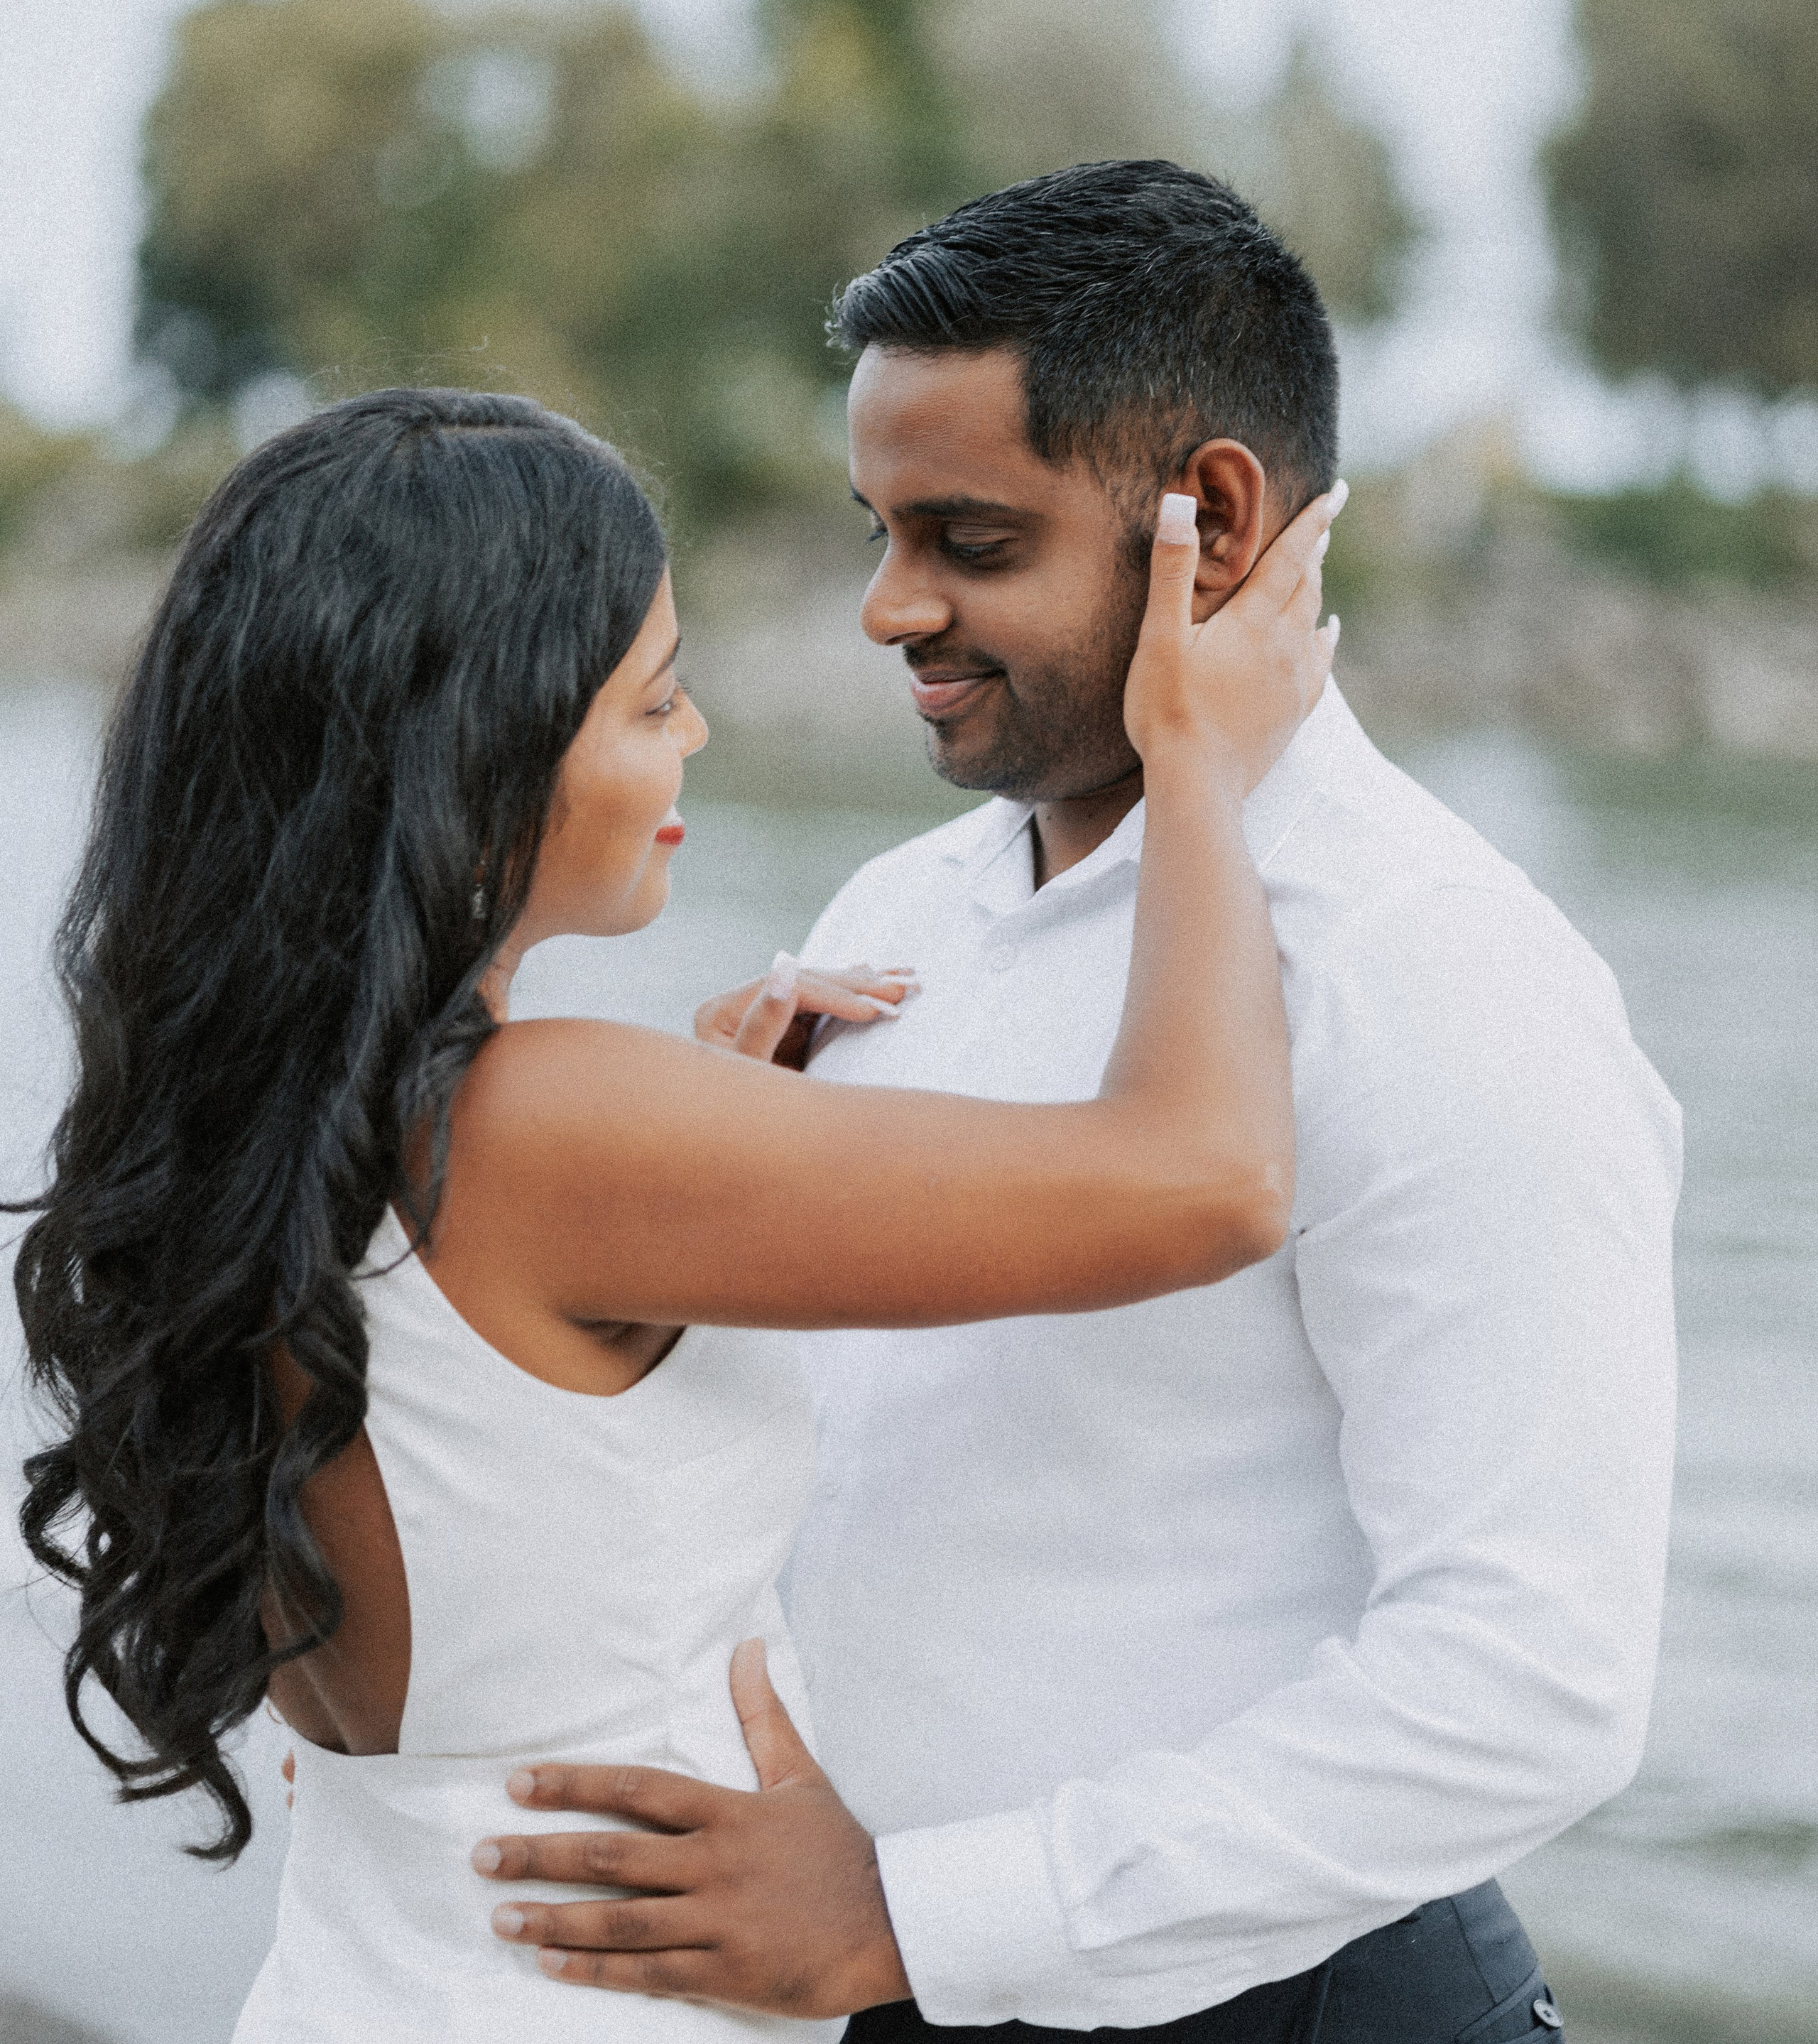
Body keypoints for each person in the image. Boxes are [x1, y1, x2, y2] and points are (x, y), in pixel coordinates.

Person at [482, 165, 1680, 2043]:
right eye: (877, 527)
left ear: (1211, 520)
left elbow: (1533, 1680)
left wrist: (919, 1917)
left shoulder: (1445, 976)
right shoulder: (888, 924)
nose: (889, 608)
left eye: (967, 539)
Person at [11, 383, 1337, 2044]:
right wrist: (1197, 765)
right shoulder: (552, 1124)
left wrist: (713, 1135)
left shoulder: (259, 1140)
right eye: (654, 700)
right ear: (483, 754)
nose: (695, 736)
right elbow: (1205, 1181)